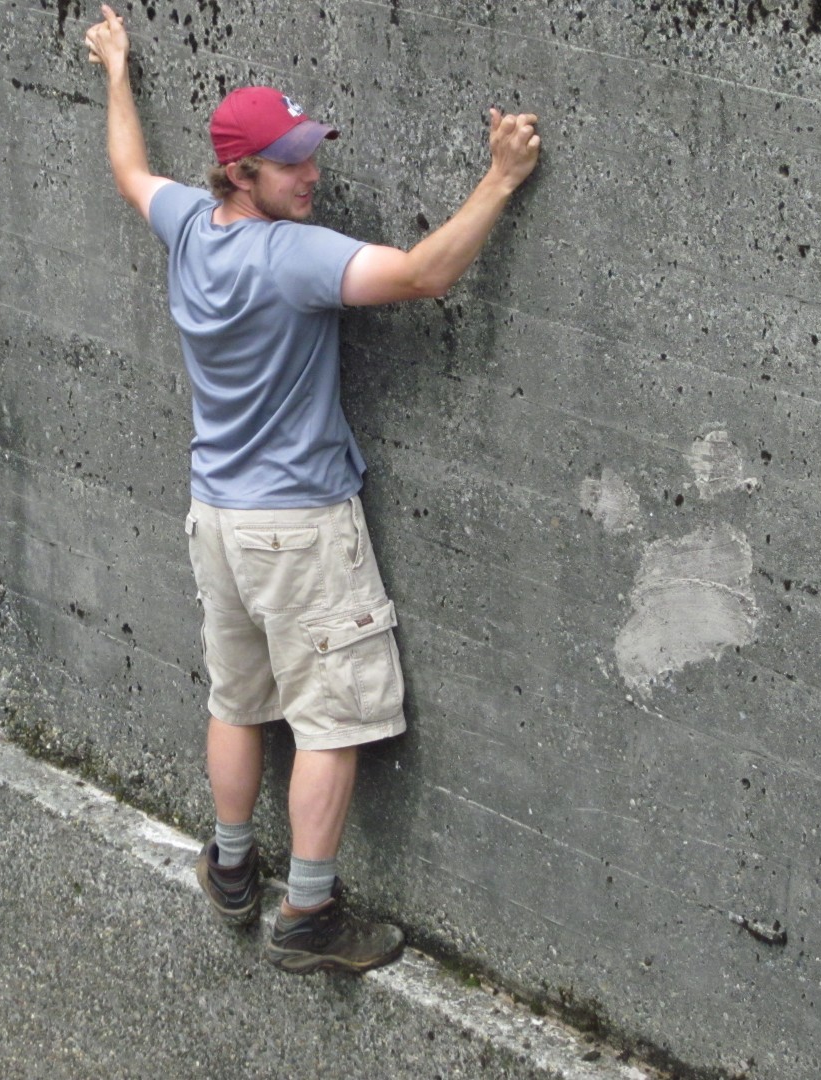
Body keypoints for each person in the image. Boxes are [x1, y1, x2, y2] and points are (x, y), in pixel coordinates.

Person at [85, 4, 541, 974]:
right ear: (241, 173)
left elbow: (129, 170)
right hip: (297, 527)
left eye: (310, 153)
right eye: (290, 163)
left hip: (217, 519)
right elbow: (422, 275)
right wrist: (500, 177)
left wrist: (118, 70)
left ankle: (231, 866)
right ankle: (307, 914)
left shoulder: (190, 226)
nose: (312, 173)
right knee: (332, 719)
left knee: (237, 700)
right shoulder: (292, 258)